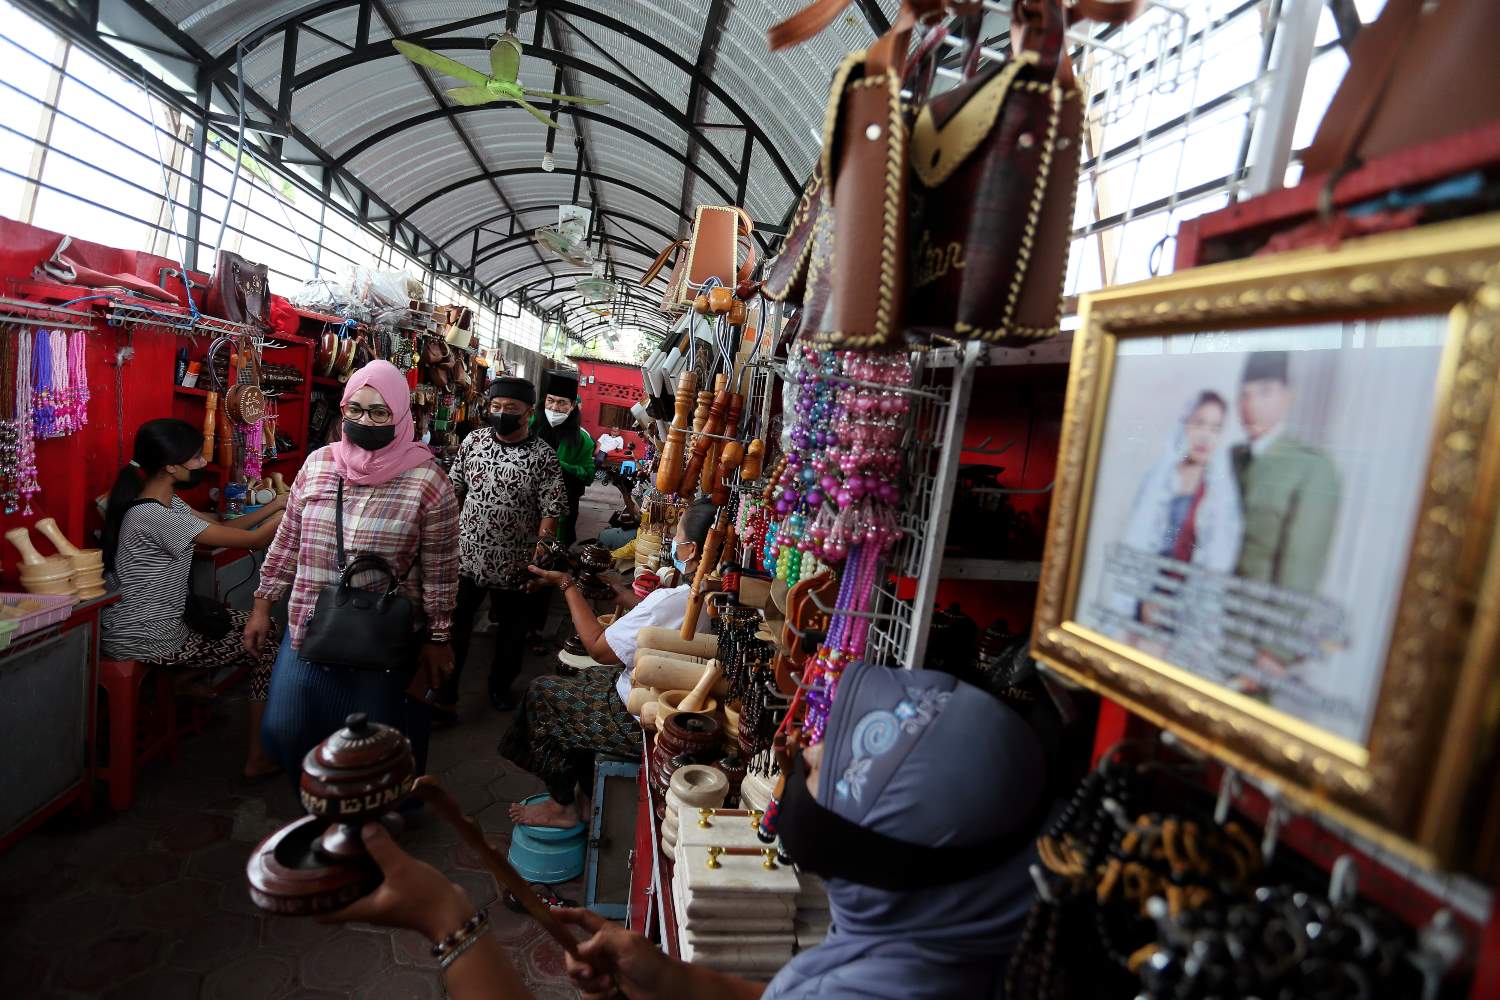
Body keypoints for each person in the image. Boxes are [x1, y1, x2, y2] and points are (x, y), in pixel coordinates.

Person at [326, 658, 1048, 1000]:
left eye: (850, 761)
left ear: (895, 850)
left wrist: (449, 921)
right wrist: (671, 977)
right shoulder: (911, 949)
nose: (812, 751)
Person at [249, 360, 459, 777]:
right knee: (284, 731)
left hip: (380, 639)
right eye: (355, 410)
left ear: (400, 415)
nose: (365, 420)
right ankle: (321, 808)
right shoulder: (318, 464)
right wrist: (261, 604)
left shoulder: (428, 482)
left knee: (366, 750)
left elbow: (441, 569)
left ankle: (360, 827)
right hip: (308, 626)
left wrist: (439, 637)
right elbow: (288, 539)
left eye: (379, 412)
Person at [504, 497, 718, 828]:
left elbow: (599, 649)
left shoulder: (674, 599)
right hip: (647, 690)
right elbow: (662, 620)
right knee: (580, 683)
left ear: (690, 549)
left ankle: (563, 807)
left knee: (542, 694)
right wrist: (623, 595)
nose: (673, 539)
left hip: (637, 714)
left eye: (677, 534)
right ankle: (586, 794)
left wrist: (566, 585)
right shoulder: (706, 593)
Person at [100, 418, 287, 778]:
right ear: (171, 466)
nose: (204, 463)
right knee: (266, 644)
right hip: (146, 635)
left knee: (263, 625)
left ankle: (186, 681)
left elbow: (223, 529)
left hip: (161, 621)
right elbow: (253, 541)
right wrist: (290, 515)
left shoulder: (169, 504)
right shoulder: (152, 515)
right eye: (197, 459)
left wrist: (276, 504)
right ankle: (257, 758)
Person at [437, 375, 567, 716]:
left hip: (515, 561)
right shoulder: (473, 441)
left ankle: (499, 687)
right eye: (496, 407)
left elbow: (551, 510)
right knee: (455, 627)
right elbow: (455, 489)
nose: (502, 413)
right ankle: (447, 693)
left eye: (511, 408)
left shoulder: (543, 455)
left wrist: (541, 552)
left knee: (512, 632)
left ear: (528, 413)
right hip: (466, 555)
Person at [1230, 351, 1341, 595]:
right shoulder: (1231, 458)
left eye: (1264, 392)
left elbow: (1297, 581)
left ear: (1288, 397)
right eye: (1244, 395)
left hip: (1254, 624)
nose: (1251, 405)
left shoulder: (1313, 469)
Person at [1121, 390, 1242, 571]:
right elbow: (1138, 538)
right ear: (1185, 425)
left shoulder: (1220, 493)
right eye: (1199, 424)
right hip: (1145, 586)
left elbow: (1218, 559)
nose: (1205, 436)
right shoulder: (1159, 480)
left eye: (1215, 428)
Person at [532, 369, 595, 546]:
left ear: (572, 405)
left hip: (563, 505)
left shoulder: (582, 439)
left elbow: (588, 475)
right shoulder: (530, 426)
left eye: (562, 403)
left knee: (553, 551)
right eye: (550, 401)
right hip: (528, 501)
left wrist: (560, 465)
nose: (554, 407)